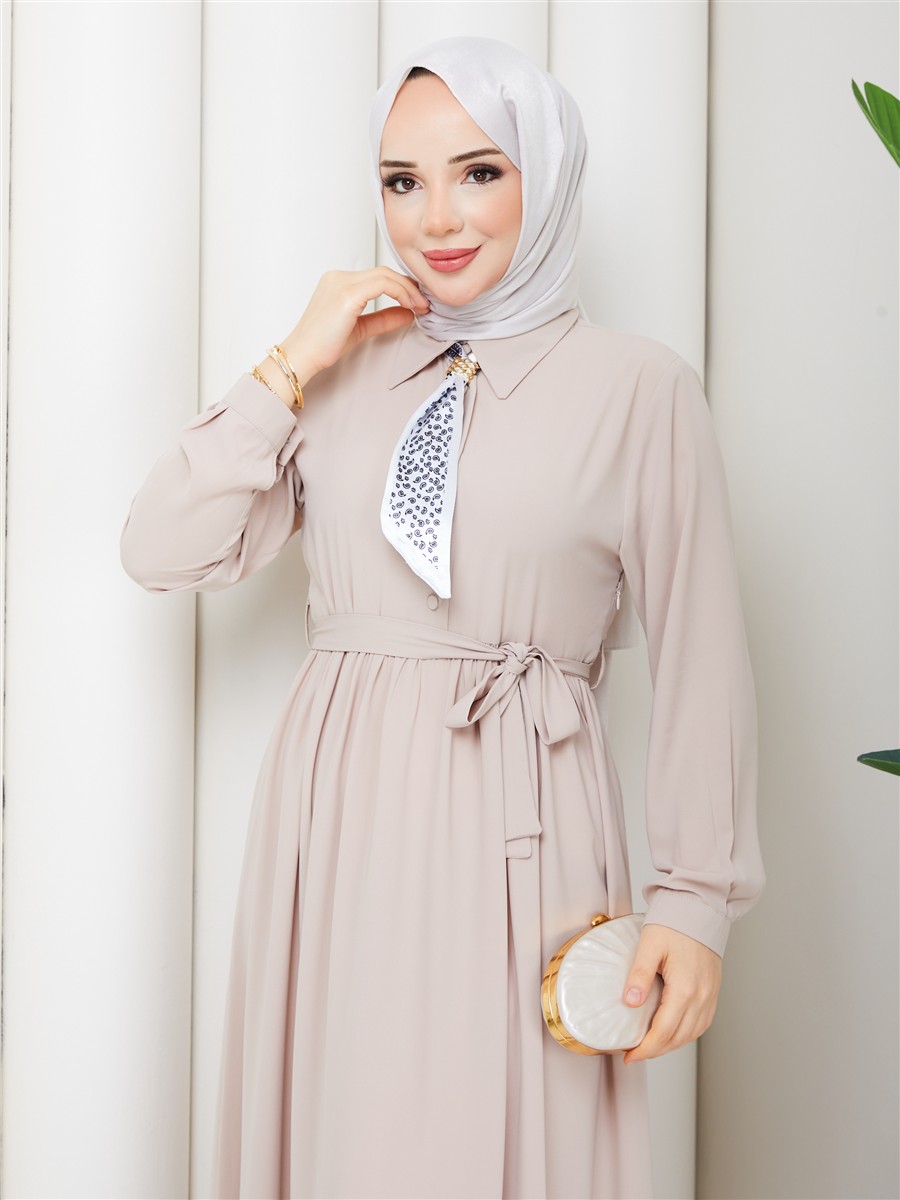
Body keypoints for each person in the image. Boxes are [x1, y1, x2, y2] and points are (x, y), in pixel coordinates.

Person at [120, 35, 764, 1200]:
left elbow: (702, 654)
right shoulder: (339, 371)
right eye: (401, 182)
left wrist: (696, 899)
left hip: (525, 821)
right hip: (334, 816)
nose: (436, 219)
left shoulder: (642, 388)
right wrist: (291, 361)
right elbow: (162, 547)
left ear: (544, 174)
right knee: (342, 1135)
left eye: (479, 172)